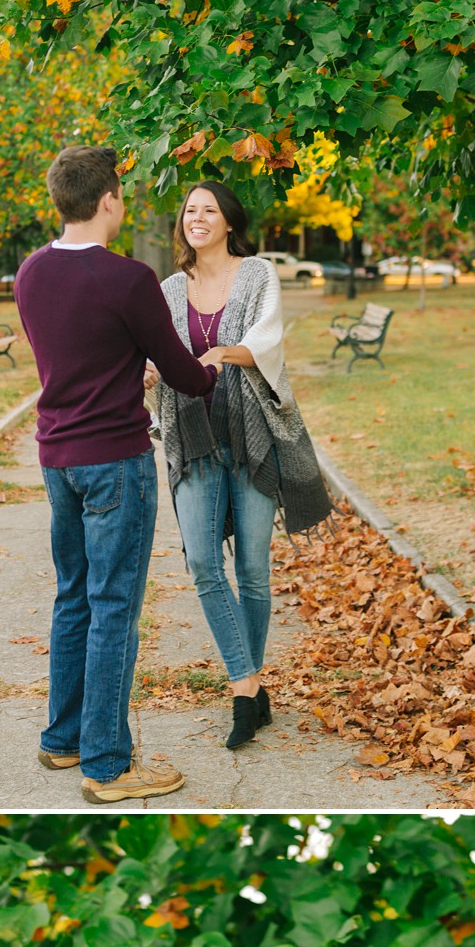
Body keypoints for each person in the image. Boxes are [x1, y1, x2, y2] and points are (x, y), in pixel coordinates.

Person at [14, 147, 219, 804]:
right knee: (112, 607)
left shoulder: (31, 273)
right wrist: (214, 367)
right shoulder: (128, 279)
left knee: (74, 596)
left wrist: (134, 367)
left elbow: (80, 354)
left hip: (57, 458)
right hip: (114, 463)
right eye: (122, 194)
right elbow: (183, 371)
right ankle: (106, 765)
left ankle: (63, 738)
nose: (123, 204)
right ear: (107, 200)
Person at [145, 185, 334, 752]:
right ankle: (246, 686)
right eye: (189, 211)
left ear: (229, 221)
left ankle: (246, 697)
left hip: (252, 440)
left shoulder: (258, 275)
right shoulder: (168, 289)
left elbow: (266, 342)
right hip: (193, 440)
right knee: (204, 563)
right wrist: (152, 375)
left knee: (252, 570)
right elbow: (156, 353)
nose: (197, 219)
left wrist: (217, 354)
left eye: (209, 211)